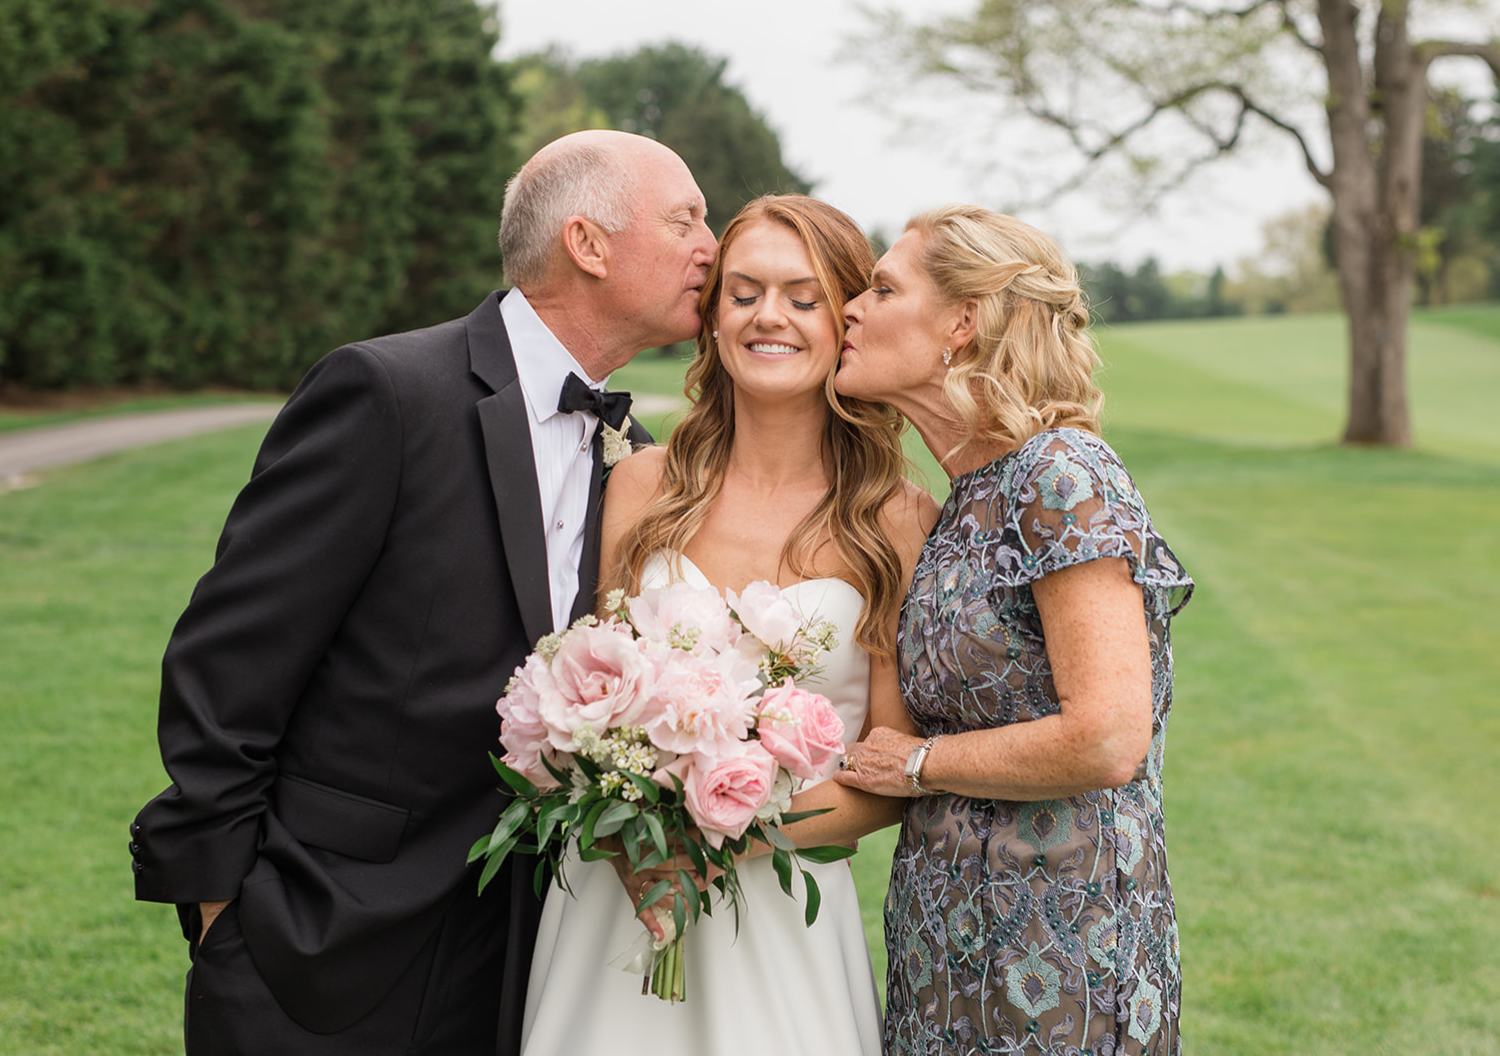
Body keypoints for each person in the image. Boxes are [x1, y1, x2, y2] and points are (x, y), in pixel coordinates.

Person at [128, 130, 715, 1056]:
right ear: (588, 243)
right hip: (325, 943)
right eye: (686, 219)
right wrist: (221, 914)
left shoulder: (638, 456)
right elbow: (226, 665)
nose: (709, 248)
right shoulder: (385, 393)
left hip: (522, 952)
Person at [518, 195, 940, 1055]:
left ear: (845, 320)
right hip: (615, 897)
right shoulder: (641, 484)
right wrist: (630, 831)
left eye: (803, 296)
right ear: (711, 320)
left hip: (779, 916)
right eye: (742, 293)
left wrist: (717, 844)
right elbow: (584, 684)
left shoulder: (897, 520)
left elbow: (888, 768)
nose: (768, 317)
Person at [832, 204, 1193, 1055]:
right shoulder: (965, 497)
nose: (851, 306)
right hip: (946, 943)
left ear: (963, 323)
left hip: (1062, 953)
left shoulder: (1059, 474)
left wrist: (919, 764)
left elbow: (1107, 736)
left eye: (882, 288)